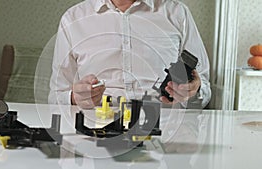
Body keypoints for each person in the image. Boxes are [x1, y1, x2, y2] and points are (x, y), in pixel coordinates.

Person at [49, 0, 211, 109]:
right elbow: (56, 96)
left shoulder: (177, 14)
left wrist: (194, 91)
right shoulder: (73, 19)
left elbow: (204, 88)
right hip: (96, 132)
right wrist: (75, 98)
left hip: (165, 135)